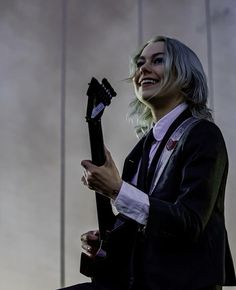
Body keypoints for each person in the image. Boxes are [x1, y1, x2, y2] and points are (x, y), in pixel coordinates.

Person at [60, 36, 236, 290]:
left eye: (158, 60)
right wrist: (109, 241)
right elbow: (144, 225)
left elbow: (190, 222)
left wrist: (117, 190)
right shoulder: (141, 150)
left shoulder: (203, 135)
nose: (143, 69)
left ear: (186, 77)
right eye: (140, 63)